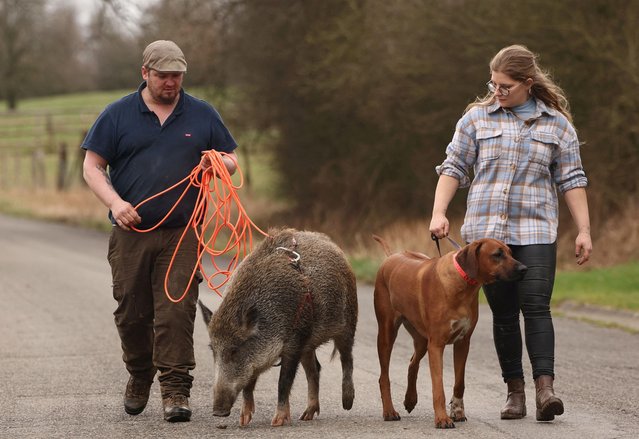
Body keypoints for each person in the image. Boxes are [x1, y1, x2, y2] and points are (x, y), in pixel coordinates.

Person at [429, 44, 592, 422]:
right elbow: (453, 167)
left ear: (527, 84)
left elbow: (572, 179)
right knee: (503, 314)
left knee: (536, 305)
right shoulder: (475, 120)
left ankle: (545, 390)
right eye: (493, 84)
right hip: (486, 233)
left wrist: (583, 229)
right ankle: (514, 392)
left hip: (535, 229)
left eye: (505, 86)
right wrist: (439, 212)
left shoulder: (557, 125)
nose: (496, 92)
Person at [82, 40, 238, 422]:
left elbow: (232, 159)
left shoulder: (202, 114)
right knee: (132, 313)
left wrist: (219, 163)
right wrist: (116, 204)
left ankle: (175, 390)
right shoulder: (117, 115)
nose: (171, 83)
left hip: (183, 232)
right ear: (145, 74)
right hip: (130, 232)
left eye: (177, 76)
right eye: (163, 75)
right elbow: (92, 166)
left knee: (175, 312)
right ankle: (139, 374)